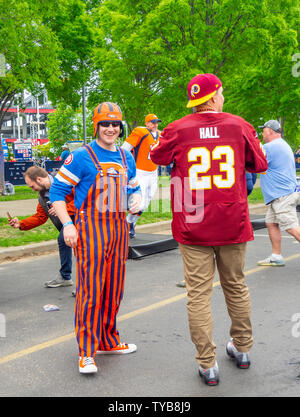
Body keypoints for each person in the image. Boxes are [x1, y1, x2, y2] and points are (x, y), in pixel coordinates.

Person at [150, 73, 268, 386]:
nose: (224, 97)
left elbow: (155, 157)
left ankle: (208, 363)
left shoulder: (177, 128)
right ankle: (242, 349)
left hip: (193, 225)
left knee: (198, 294)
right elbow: (260, 164)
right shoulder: (239, 125)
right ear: (214, 96)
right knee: (236, 285)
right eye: (222, 92)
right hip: (232, 221)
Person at [50, 102, 142, 374]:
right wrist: (67, 224)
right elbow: (56, 193)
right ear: (96, 126)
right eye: (105, 124)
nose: (111, 129)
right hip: (90, 229)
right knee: (90, 291)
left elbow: (133, 187)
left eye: (115, 124)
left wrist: (136, 198)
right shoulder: (81, 156)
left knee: (114, 289)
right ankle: (87, 352)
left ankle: (108, 340)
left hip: (119, 229)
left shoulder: (127, 158)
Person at [8, 166, 75, 288]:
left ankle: (84, 284)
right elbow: (40, 217)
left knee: (67, 242)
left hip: (82, 221)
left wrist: (63, 208)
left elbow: (83, 200)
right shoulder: (43, 196)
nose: (33, 190)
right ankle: (66, 277)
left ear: (39, 179)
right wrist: (21, 224)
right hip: (67, 226)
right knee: (66, 242)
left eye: (32, 186)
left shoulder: (65, 182)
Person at [257, 120, 300, 266]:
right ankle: (276, 256)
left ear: (270, 131)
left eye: (264, 130)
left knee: (291, 227)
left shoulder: (270, 147)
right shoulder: (281, 144)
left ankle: (276, 255)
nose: (262, 133)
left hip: (282, 195)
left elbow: (256, 164)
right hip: (280, 195)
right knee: (271, 223)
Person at [121, 113, 161, 238]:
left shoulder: (160, 135)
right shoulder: (140, 131)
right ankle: (127, 223)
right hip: (140, 172)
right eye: (152, 122)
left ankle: (130, 223)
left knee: (147, 202)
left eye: (156, 122)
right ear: (147, 123)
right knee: (140, 203)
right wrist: (124, 165)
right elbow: (124, 148)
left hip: (153, 172)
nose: (155, 124)